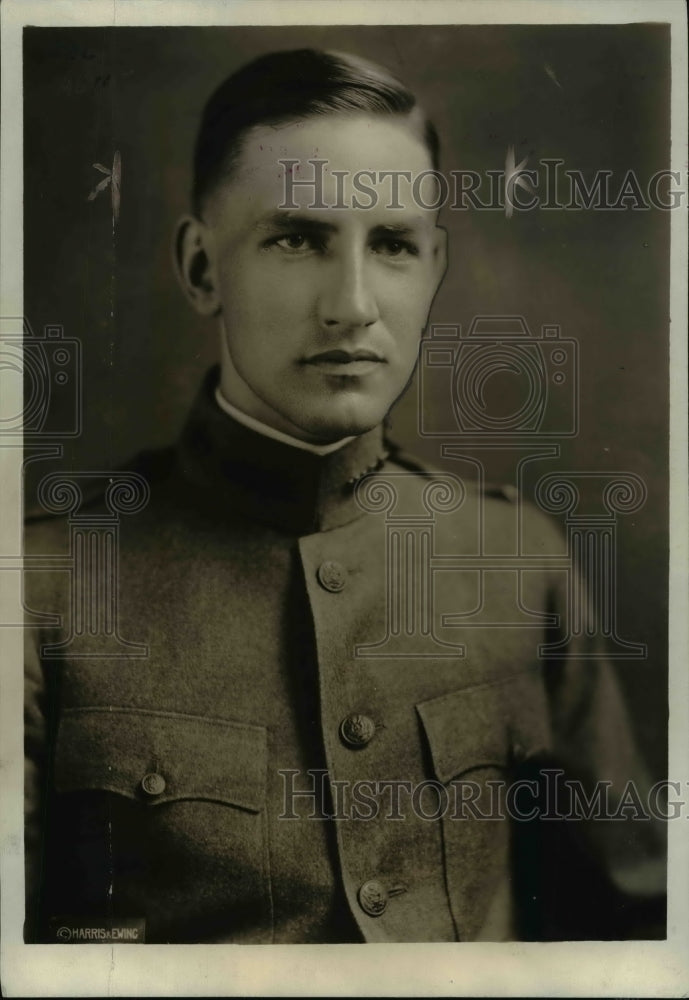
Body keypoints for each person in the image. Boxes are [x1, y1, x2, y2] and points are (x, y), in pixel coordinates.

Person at [24, 48, 665, 945]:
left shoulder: (518, 562)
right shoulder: (41, 583)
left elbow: (634, 930)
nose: (353, 305)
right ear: (201, 268)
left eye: (394, 246)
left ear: (434, 267)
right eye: (296, 238)